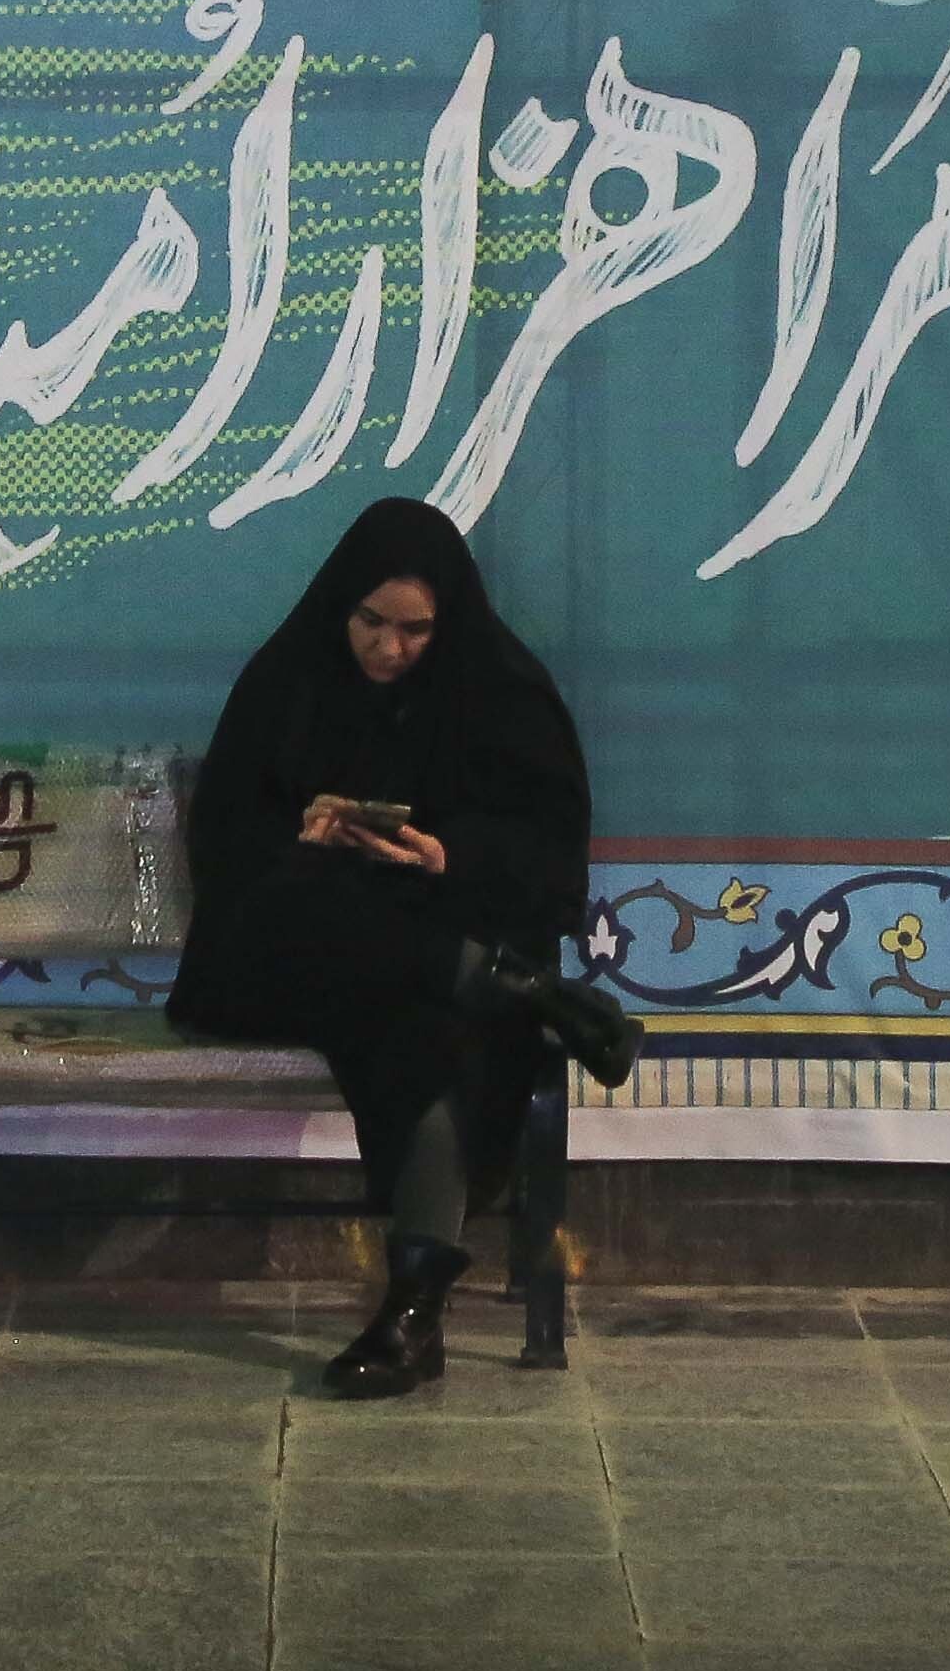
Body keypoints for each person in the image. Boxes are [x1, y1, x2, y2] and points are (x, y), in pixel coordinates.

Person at [170, 498, 640, 1398]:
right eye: (371, 623)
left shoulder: (500, 691)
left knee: (424, 1033)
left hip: (418, 955)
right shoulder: (289, 680)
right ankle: (518, 990)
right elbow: (225, 840)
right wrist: (304, 834)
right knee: (312, 901)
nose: (388, 650)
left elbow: (547, 852)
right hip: (291, 958)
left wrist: (445, 854)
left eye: (415, 631)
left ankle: (412, 1312)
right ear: (340, 606)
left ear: (448, 622)